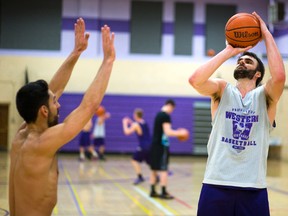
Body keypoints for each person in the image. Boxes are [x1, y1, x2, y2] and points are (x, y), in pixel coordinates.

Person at [9, 18, 115, 216]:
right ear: (43, 111)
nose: (59, 104)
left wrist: (76, 53)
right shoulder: (43, 142)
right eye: (54, 102)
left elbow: (53, 89)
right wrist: (108, 61)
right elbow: (89, 106)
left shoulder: (21, 135)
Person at [188, 12, 285, 216]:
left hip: (253, 187)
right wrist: (228, 51)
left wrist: (266, 33)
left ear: (258, 73)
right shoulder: (222, 89)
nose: (242, 62)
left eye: (248, 61)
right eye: (240, 60)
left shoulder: (265, 96)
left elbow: (279, 77)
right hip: (215, 183)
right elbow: (195, 80)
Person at [149, 99, 189, 199]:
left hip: (154, 145)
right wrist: (180, 133)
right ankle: (163, 192)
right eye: (172, 109)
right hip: (162, 146)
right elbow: (168, 132)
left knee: (154, 168)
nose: (172, 111)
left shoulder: (158, 115)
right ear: (170, 106)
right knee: (164, 169)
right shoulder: (165, 116)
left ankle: (153, 190)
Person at [122, 108, 152, 185]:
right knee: (149, 162)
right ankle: (156, 176)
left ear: (135, 115)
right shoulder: (144, 122)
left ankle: (140, 177)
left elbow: (127, 132)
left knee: (134, 160)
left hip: (143, 146)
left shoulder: (136, 124)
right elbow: (139, 128)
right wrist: (130, 122)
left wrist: (125, 123)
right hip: (150, 145)